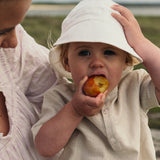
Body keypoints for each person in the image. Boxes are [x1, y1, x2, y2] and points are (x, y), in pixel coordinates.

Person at [32, 0, 160, 159]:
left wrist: (142, 44)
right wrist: (75, 110)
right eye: (84, 53)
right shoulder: (61, 97)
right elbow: (44, 147)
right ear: (67, 63)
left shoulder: (134, 86)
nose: (96, 63)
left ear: (125, 61)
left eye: (109, 52)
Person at [0, 0, 57, 159]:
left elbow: (75, 96)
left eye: (16, 26)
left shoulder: (13, 53)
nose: (13, 42)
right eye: (1, 32)